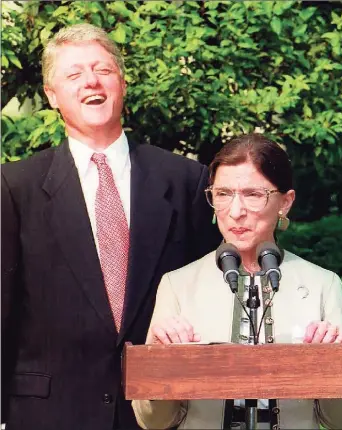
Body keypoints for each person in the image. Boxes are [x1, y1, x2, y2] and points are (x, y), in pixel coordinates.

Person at [1, 23, 221, 430]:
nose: (91, 82)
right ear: (52, 95)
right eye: (74, 74)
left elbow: (208, 296)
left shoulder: (186, 180)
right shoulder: (14, 187)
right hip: (48, 414)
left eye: (102, 69)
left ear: (121, 81)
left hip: (160, 411)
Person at [132, 133, 342, 429]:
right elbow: (153, 422)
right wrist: (163, 365)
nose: (235, 212)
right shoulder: (178, 285)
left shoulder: (322, 285)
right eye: (223, 194)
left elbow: (341, 420)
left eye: (253, 194)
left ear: (285, 202)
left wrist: (331, 365)